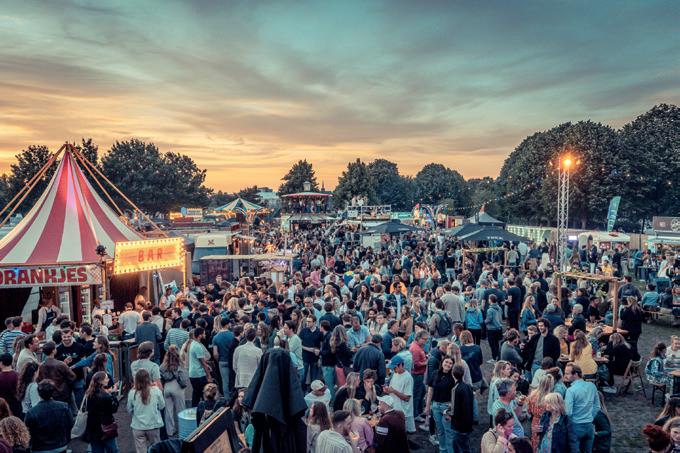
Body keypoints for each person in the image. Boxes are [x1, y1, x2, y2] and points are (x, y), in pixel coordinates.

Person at [24, 379, 73, 453]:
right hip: (60, 446)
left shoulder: (32, 412)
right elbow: (70, 424)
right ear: (53, 392)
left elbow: (28, 433)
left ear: (39, 393)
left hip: (40, 448)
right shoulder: (64, 407)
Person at [564, 363, 599, 453]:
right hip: (589, 425)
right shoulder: (592, 386)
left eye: (567, 373)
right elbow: (597, 406)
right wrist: (590, 418)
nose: (565, 376)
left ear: (575, 374)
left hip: (575, 426)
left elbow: (568, 412)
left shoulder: (570, 391)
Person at [127, 369, 165, 453]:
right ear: (148, 378)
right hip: (153, 425)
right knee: (156, 449)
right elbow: (162, 406)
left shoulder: (132, 393)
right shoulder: (156, 390)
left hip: (138, 426)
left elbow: (129, 410)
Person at [425, 356, 455, 453]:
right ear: (442, 362)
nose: (448, 365)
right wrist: (428, 406)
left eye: (450, 363)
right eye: (446, 362)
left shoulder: (453, 377)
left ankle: (450, 451)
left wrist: (451, 408)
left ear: (453, 366)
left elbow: (454, 394)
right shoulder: (435, 373)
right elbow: (430, 390)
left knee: (448, 431)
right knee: (440, 431)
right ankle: (442, 450)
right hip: (435, 406)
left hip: (447, 407)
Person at [84, 371, 120, 453]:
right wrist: (113, 394)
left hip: (92, 427)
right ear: (101, 381)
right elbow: (114, 409)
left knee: (97, 450)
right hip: (106, 427)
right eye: (106, 378)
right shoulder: (106, 396)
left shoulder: (89, 393)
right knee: (112, 449)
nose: (108, 380)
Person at [37, 341, 76, 408]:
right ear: (53, 351)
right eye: (55, 348)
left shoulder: (41, 366)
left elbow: (39, 379)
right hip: (62, 395)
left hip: (49, 395)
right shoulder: (60, 364)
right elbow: (72, 377)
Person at [159, 344, 187, 437]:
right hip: (177, 387)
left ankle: (170, 431)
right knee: (181, 410)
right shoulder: (180, 364)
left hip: (167, 387)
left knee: (168, 411)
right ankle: (182, 430)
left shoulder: (163, 365)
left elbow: (161, 376)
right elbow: (184, 379)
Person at [384, 355, 415, 433]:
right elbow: (392, 389)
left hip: (403, 412)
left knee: (403, 434)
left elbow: (407, 398)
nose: (393, 370)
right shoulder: (395, 374)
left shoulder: (408, 378)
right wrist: (388, 390)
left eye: (394, 368)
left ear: (401, 365)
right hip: (395, 410)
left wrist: (393, 391)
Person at [450, 363, 474, 453]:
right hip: (468, 424)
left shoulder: (455, 389)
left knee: (458, 448)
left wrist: (447, 413)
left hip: (458, 426)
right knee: (466, 448)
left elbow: (454, 411)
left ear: (452, 374)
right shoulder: (468, 386)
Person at [527, 374, 554, 451]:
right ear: (550, 384)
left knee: (535, 442)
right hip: (546, 422)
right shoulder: (550, 397)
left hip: (535, 421)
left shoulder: (533, 394)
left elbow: (529, 411)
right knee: (544, 442)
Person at [187, 327, 212, 407]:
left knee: (196, 394)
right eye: (204, 334)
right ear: (200, 335)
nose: (205, 335)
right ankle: (206, 409)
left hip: (193, 373)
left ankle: (194, 409)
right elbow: (203, 363)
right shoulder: (198, 346)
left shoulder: (193, 344)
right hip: (199, 374)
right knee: (204, 394)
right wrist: (209, 376)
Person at [300, 315, 324, 389]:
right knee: (303, 377)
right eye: (307, 321)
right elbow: (299, 344)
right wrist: (309, 349)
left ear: (314, 322)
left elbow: (321, 345)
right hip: (305, 357)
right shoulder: (303, 331)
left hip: (315, 358)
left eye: (309, 322)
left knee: (314, 378)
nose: (307, 323)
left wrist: (320, 357)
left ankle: (313, 391)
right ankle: (302, 391)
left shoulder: (319, 332)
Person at [485, 294, 504, 361]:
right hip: (499, 328)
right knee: (497, 344)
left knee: (492, 345)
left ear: (490, 300)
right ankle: (498, 357)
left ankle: (494, 358)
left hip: (491, 329)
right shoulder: (499, 308)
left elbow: (489, 319)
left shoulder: (490, 310)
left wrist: (484, 322)